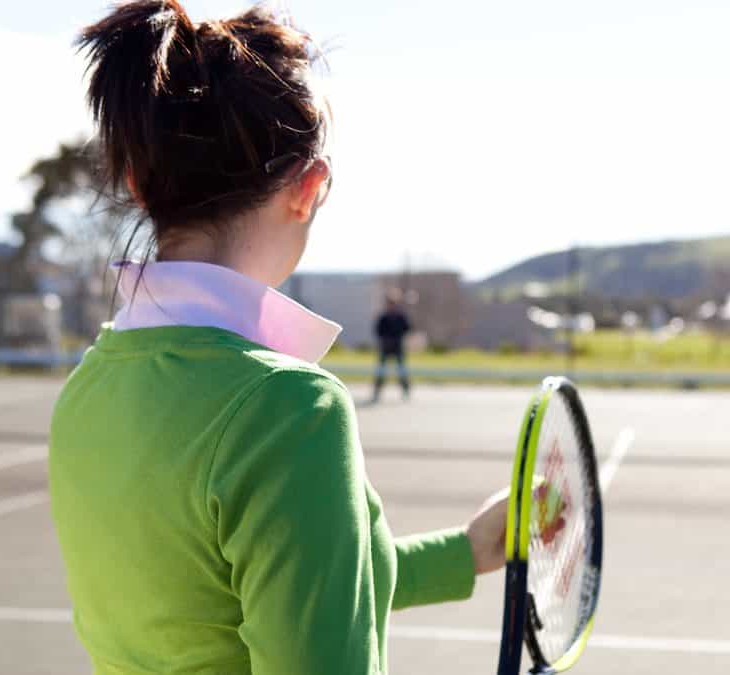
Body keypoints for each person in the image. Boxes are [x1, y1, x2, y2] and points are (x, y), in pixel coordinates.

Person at [48, 3, 508, 674]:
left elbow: (247, 591)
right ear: (308, 188)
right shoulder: (290, 408)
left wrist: (465, 552)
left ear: (140, 186)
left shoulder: (86, 388)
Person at [373, 292, 411, 402]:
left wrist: (397, 338)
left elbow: (407, 329)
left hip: (398, 347)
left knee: (401, 370)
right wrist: (386, 340)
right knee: (381, 370)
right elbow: (378, 331)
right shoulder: (383, 317)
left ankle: (405, 390)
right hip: (385, 347)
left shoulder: (401, 317)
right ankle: (377, 391)